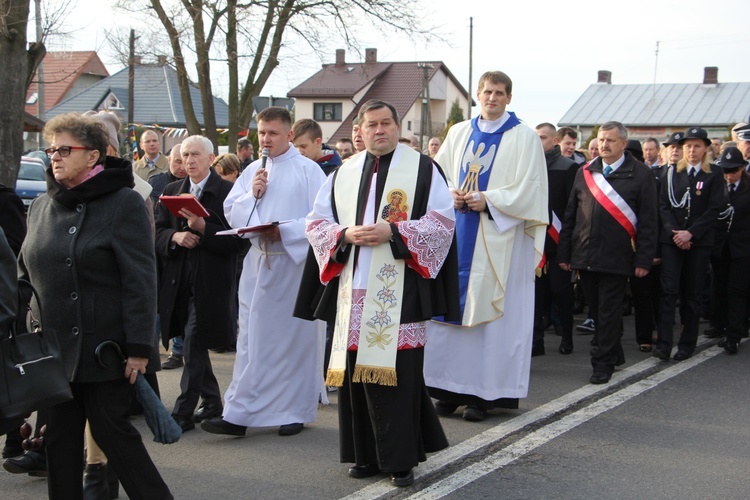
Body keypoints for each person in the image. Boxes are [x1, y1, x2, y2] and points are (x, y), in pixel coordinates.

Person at [299, 99, 456, 487]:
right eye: (372, 124)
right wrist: (344, 234)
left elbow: (442, 222)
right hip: (353, 285)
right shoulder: (342, 172)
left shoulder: (423, 168)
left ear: (398, 127)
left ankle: (400, 460)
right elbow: (317, 222)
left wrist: (396, 232)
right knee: (356, 376)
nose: (380, 130)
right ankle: (365, 455)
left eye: (387, 123)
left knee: (398, 376)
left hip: (399, 284)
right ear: (360, 129)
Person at [18, 112, 172, 499]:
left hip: (106, 350)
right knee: (60, 444)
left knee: (115, 438)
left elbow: (141, 279)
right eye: (51, 149)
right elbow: (25, 278)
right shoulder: (40, 207)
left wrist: (140, 349)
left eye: (65, 149)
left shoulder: (123, 203)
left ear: (93, 156)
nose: (55, 156)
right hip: (53, 353)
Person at [424, 71, 548, 420]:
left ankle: (483, 395)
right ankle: (447, 389)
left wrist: (489, 200)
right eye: (486, 92)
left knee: (489, 320)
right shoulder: (459, 131)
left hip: (499, 239)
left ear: (509, 97)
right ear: (477, 94)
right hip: (456, 235)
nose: (491, 98)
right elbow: (439, 176)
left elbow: (532, 189)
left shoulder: (524, 137)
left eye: (499, 93)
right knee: (448, 310)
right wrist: (449, 194)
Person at [201, 107, 326, 438]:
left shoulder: (309, 171)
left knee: (293, 340)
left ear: (288, 135)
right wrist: (253, 195)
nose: (266, 139)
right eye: (261, 133)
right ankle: (240, 411)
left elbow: (323, 219)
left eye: (273, 133)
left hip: (294, 264)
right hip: (258, 263)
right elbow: (233, 211)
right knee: (251, 339)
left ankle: (294, 410)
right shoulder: (252, 171)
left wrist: (283, 230)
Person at [558, 121, 658, 384]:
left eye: (610, 140)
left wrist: (644, 258)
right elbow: (571, 216)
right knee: (597, 309)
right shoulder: (586, 172)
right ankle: (614, 352)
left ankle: (602, 363)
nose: (604, 145)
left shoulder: (640, 174)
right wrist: (565, 254)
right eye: (601, 140)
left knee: (608, 311)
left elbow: (649, 221)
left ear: (623, 144)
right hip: (585, 254)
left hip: (618, 257)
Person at [155, 135, 243, 433]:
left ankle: (182, 411)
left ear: (210, 159)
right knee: (192, 340)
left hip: (212, 279)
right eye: (184, 156)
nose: (189, 161)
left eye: (195, 155)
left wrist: (204, 229)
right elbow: (156, 232)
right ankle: (212, 401)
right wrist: (175, 237)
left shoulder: (228, 192)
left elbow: (238, 239)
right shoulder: (171, 191)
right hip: (178, 278)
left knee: (193, 340)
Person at [654, 127, 725, 361]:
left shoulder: (714, 173)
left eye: (696, 146)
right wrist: (675, 233)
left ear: (705, 148)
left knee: (692, 294)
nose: (691, 150)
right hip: (672, 240)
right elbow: (663, 205)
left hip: (698, 242)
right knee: (668, 292)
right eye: (687, 146)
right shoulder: (671, 172)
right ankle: (664, 344)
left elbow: (714, 208)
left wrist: (690, 234)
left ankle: (686, 344)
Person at [533, 123, 578, 356]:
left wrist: (568, 246)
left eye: (542, 137)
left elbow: (572, 208)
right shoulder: (529, 167)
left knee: (561, 291)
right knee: (536, 294)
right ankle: (536, 340)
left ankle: (567, 336)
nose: (537, 141)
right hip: (535, 240)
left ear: (554, 141)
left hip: (559, 240)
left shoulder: (568, 167)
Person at [712, 147, 750, 354]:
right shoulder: (718, 186)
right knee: (720, 287)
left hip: (743, 248)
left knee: (737, 290)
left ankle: (734, 336)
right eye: (725, 171)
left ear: (742, 169)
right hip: (721, 247)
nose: (729, 175)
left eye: (733, 171)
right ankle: (721, 325)